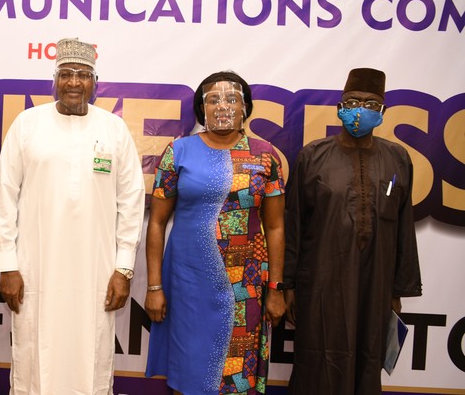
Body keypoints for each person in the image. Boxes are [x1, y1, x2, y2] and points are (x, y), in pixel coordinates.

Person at [0, 37, 145, 394]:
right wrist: (8, 266)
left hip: (97, 272)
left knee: (91, 355)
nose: (73, 82)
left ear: (95, 81)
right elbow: (4, 200)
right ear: (54, 79)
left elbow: (132, 202)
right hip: (35, 270)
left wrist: (124, 268)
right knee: (34, 357)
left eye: (82, 74)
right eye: (66, 74)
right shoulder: (27, 125)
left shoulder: (113, 129)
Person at [144, 71, 286, 395]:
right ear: (201, 109)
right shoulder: (178, 152)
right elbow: (156, 222)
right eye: (213, 100)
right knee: (190, 371)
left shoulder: (265, 155)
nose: (223, 106)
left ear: (245, 108)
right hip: (188, 282)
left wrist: (276, 288)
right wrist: (154, 286)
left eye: (232, 99)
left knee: (237, 375)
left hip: (245, 286)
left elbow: (276, 226)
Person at [283, 68, 422, 394]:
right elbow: (294, 224)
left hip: (376, 283)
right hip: (319, 281)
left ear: (383, 111)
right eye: (353, 102)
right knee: (317, 359)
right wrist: (287, 284)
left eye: (370, 104)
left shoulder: (397, 159)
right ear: (339, 108)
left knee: (366, 357)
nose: (360, 109)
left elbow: (403, 225)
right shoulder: (313, 156)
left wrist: (397, 290)